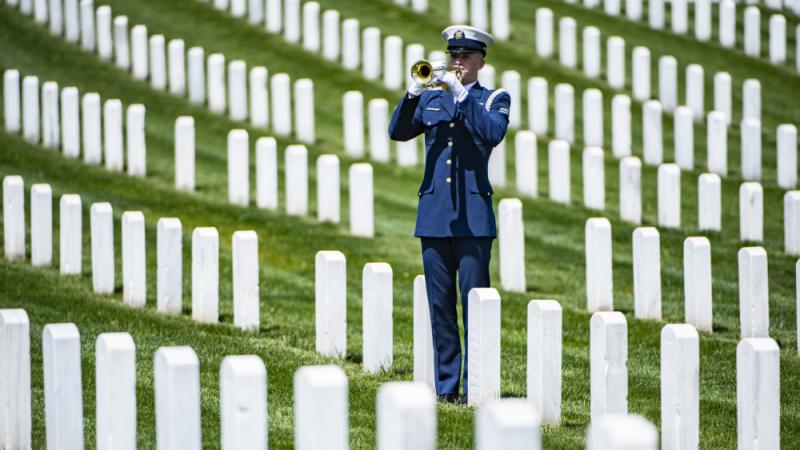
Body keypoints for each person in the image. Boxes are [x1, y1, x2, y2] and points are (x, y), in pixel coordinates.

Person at [387, 25, 511, 403]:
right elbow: (397, 131)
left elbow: (491, 134)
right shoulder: (430, 100)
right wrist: (413, 93)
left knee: (475, 304)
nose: (458, 61)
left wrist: (462, 97)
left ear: (480, 62)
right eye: (453, 55)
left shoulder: (493, 99)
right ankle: (446, 388)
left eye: (466, 56)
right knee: (440, 307)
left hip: (473, 218)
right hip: (435, 216)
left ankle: (475, 386)